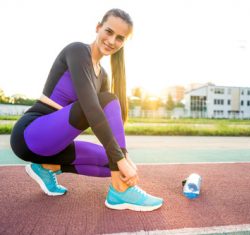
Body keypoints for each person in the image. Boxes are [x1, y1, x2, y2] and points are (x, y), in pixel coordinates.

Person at [10, 8, 163, 212]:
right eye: (108, 31)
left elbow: (105, 119)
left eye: (120, 38)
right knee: (115, 153)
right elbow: (92, 107)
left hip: (58, 146)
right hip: (33, 133)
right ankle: (121, 190)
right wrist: (121, 158)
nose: (111, 40)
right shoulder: (77, 51)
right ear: (98, 27)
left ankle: (48, 168)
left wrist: (119, 158)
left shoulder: (104, 76)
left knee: (108, 162)